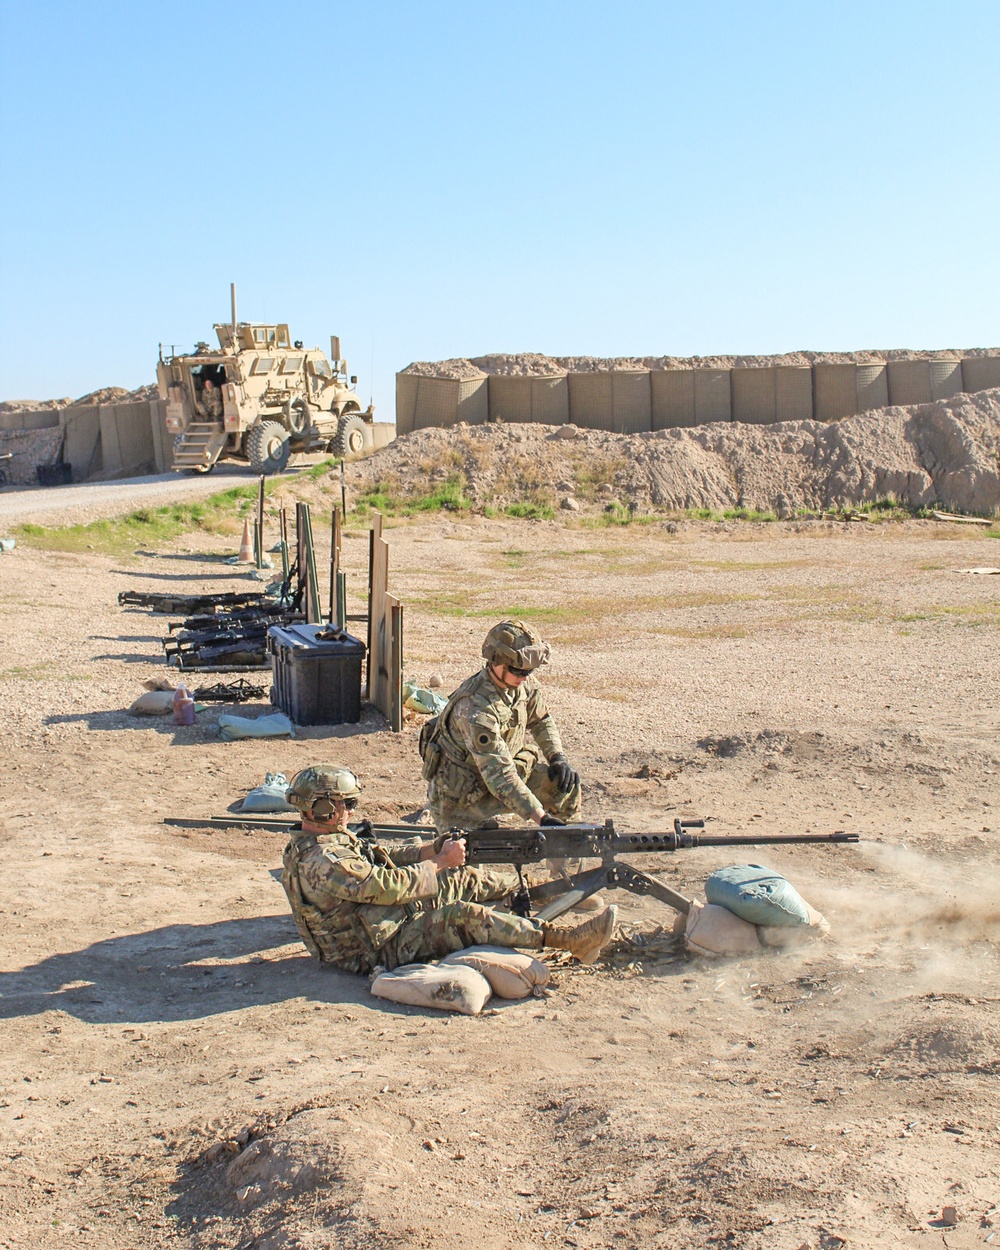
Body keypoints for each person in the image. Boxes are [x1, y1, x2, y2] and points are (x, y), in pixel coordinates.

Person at [280, 764, 617, 974]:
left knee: (461, 876)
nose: (350, 811)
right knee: (461, 916)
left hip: (380, 924)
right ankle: (570, 940)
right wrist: (440, 862)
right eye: (345, 804)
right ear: (322, 808)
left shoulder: (324, 842)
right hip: (373, 951)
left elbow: (381, 856)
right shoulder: (323, 861)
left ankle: (544, 891)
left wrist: (431, 850)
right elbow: (386, 885)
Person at [420, 619, 582, 834]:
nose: (524, 678)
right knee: (461, 860)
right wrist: (541, 818)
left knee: (564, 788)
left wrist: (557, 757)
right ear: (497, 662)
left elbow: (541, 719)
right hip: (464, 801)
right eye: (518, 671)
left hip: (505, 778)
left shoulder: (521, 684)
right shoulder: (475, 709)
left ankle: (566, 861)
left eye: (529, 672)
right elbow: (500, 774)